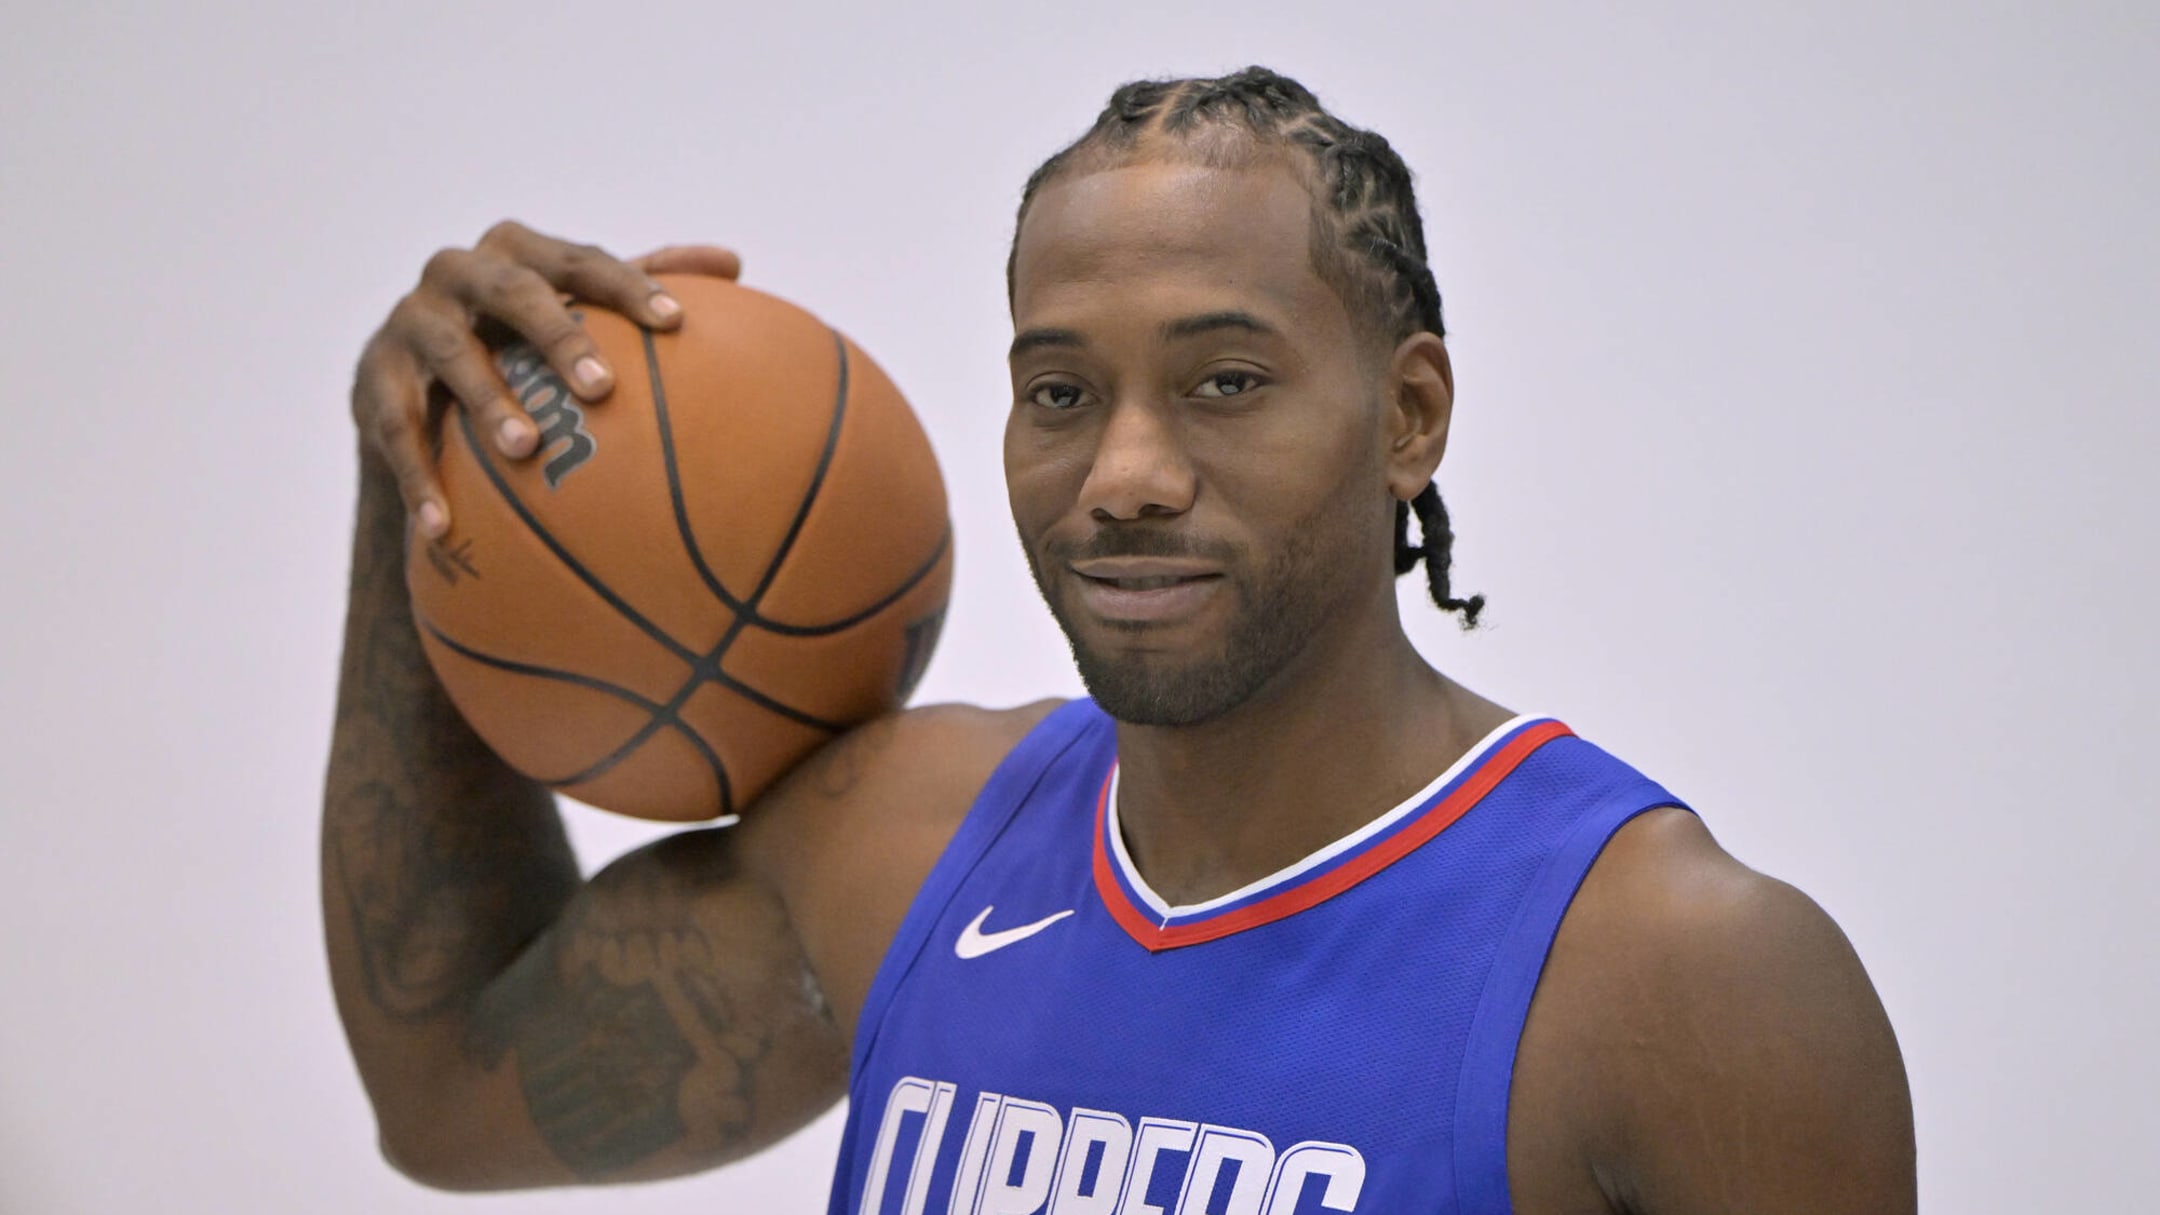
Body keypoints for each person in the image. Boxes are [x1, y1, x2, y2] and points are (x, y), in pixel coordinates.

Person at [325, 67, 1915, 1213]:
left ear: (1408, 416)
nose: (1124, 478)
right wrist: (421, 469)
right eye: (1061, 393)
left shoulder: (1677, 980)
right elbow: (451, 1091)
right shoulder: (907, 841)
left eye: (1227, 380)